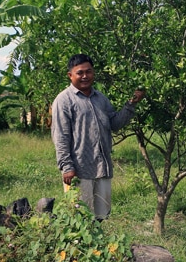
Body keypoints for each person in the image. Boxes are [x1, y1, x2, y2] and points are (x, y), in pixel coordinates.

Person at [51, 54, 145, 221]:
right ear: (70, 75)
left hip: (102, 167)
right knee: (80, 218)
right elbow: (61, 136)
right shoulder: (64, 100)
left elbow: (114, 123)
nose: (85, 76)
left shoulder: (100, 98)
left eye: (89, 71)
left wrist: (132, 103)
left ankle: (99, 247)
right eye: (80, 73)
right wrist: (66, 166)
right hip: (79, 170)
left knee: (101, 216)